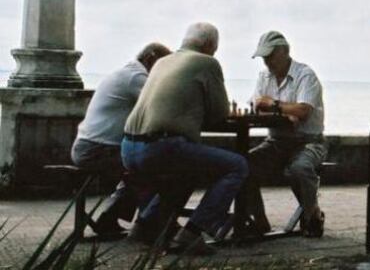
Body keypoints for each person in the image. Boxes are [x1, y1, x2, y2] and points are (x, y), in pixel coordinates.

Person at [121, 22, 246, 255]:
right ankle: (193, 233)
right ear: (209, 45)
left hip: (128, 148)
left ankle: (144, 226)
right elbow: (220, 113)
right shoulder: (207, 62)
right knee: (237, 165)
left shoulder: (162, 62)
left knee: (187, 171)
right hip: (160, 147)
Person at [71, 42, 171, 236]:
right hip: (97, 150)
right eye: (162, 66)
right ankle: (152, 224)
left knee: (137, 164)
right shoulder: (137, 78)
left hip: (88, 147)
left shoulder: (126, 73)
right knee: (147, 166)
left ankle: (110, 219)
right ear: (150, 58)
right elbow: (160, 107)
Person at [243, 30, 326, 238]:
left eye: (270, 56)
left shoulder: (305, 75)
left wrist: (274, 104)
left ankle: (313, 215)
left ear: (285, 52)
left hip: (308, 142)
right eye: (264, 57)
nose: (266, 62)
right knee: (242, 166)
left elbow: (303, 110)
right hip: (277, 141)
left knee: (299, 168)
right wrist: (285, 111)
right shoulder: (264, 76)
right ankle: (260, 222)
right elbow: (256, 105)